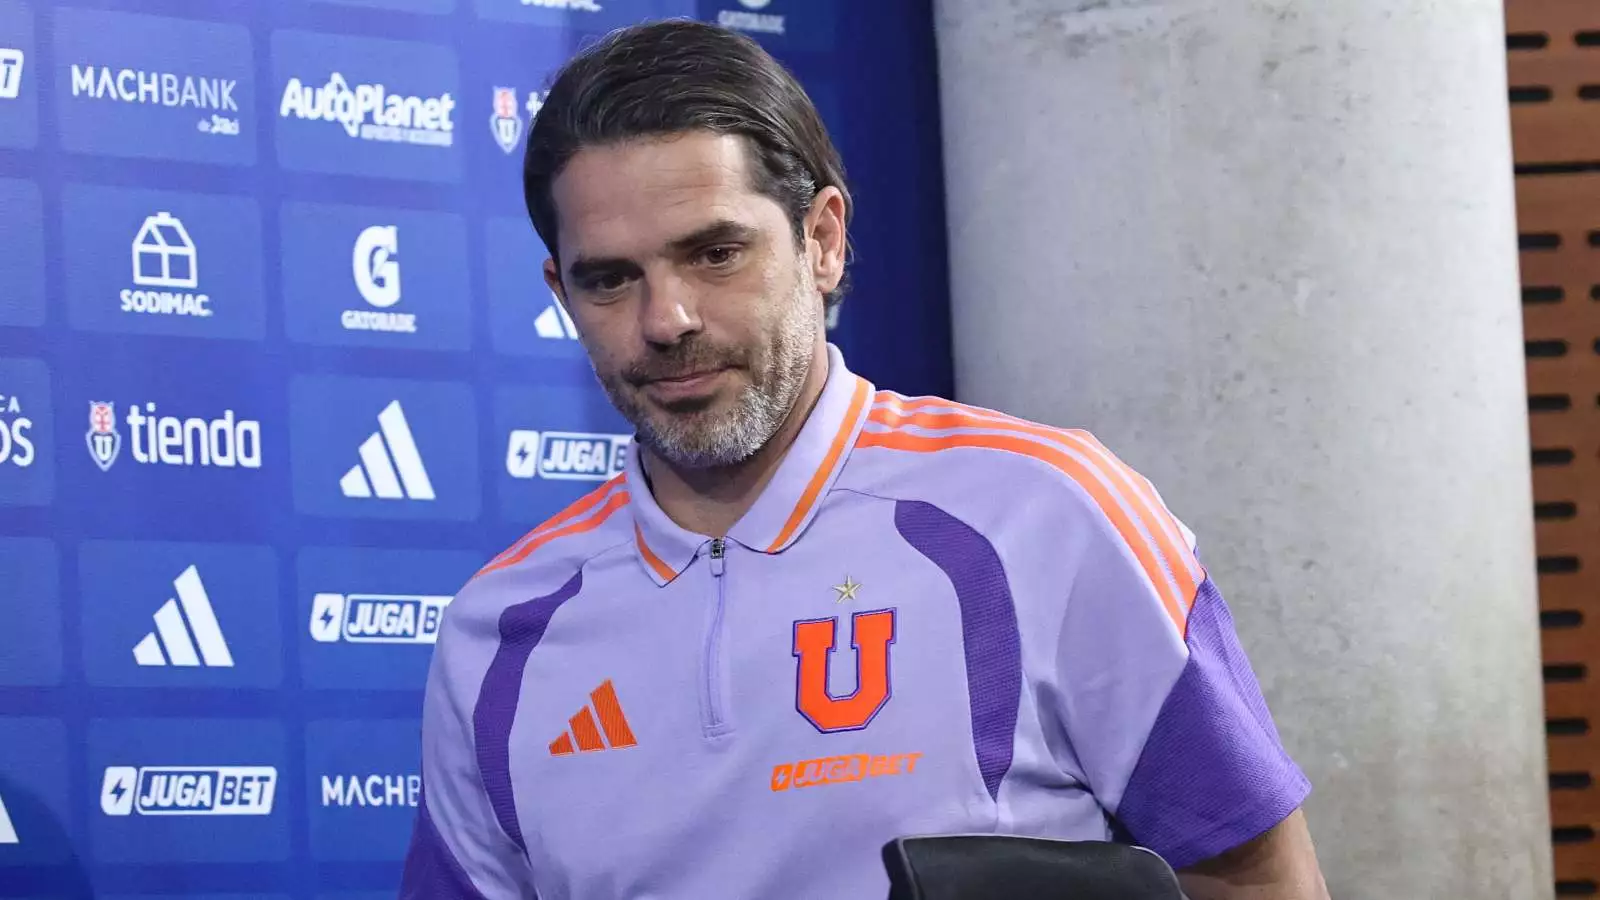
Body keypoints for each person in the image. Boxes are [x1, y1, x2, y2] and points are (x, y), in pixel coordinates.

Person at [400, 18, 1330, 900]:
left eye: (716, 253)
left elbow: (1254, 880)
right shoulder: (498, 632)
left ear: (825, 241)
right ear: (562, 291)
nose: (667, 320)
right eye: (611, 278)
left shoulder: (1046, 513)